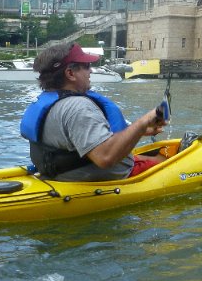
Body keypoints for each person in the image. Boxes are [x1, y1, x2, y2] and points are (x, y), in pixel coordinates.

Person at [20, 43, 167, 181]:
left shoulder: (50, 101)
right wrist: (143, 122)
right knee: (166, 159)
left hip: (59, 174)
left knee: (153, 155)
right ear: (70, 73)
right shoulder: (78, 108)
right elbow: (105, 157)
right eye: (86, 66)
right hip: (109, 178)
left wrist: (138, 132)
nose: (90, 71)